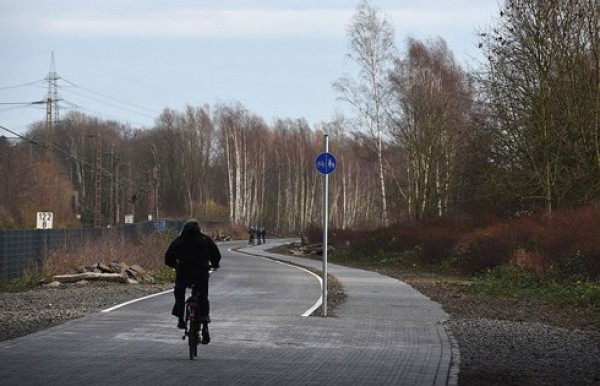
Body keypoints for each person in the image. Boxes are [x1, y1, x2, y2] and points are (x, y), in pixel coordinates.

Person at [165, 220, 221, 344]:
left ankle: (180, 318)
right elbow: (216, 255)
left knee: (179, 292)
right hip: (201, 274)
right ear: (198, 229)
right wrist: (214, 264)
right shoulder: (205, 240)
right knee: (203, 297)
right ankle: (204, 323)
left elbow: (168, 258)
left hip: (183, 273)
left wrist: (176, 265)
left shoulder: (179, 241)